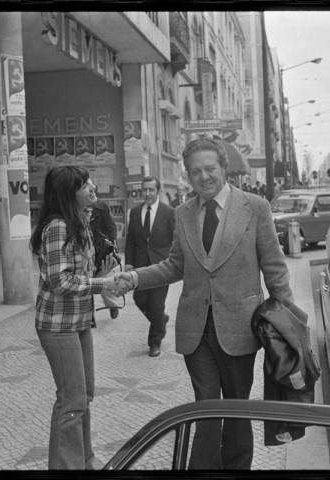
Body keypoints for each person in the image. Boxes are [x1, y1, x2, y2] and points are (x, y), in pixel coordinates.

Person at [114, 138, 293, 469]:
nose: (204, 176)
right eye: (195, 171)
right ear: (187, 175)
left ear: (224, 169)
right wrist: (136, 277)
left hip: (240, 328)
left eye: (210, 169)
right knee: (206, 407)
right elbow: (175, 265)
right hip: (195, 329)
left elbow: (274, 267)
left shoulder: (255, 207)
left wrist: (288, 321)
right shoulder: (182, 213)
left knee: (237, 410)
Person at [29, 166, 119, 470]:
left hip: (79, 322)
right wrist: (102, 284)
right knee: (72, 401)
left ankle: (85, 460)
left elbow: (79, 275)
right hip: (57, 326)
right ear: (69, 193)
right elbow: (60, 283)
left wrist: (103, 275)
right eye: (84, 184)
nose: (93, 187)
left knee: (84, 396)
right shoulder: (57, 227)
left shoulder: (79, 222)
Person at [125, 176, 176, 357]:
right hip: (140, 266)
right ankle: (160, 321)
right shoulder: (135, 212)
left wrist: (173, 262)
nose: (147, 193)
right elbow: (131, 239)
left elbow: (176, 240)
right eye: (144, 190)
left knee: (156, 304)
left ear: (158, 191)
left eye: (151, 190)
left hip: (162, 266)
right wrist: (129, 262)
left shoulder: (168, 212)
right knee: (140, 300)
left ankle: (155, 342)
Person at [87, 198, 120, 319]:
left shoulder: (102, 207)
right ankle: (89, 315)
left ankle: (112, 305)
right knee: (87, 282)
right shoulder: (77, 206)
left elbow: (112, 227)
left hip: (100, 251)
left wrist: (113, 246)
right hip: (86, 251)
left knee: (102, 282)